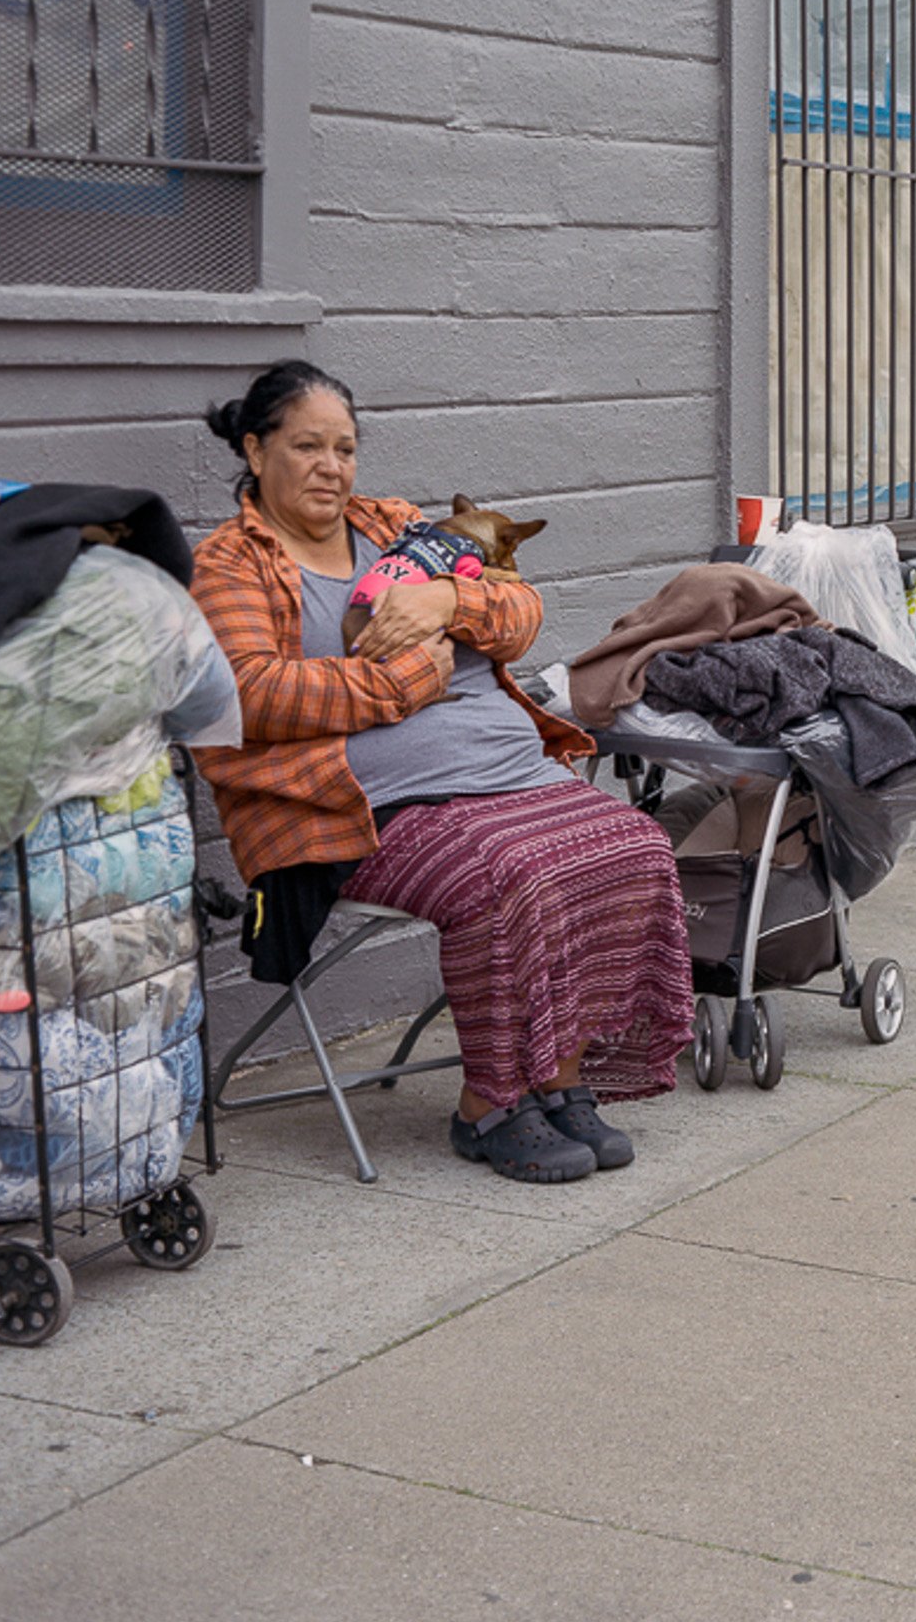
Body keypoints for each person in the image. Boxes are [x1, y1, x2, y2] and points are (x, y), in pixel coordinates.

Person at [191, 361, 692, 1183]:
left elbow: (521, 613)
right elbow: (245, 696)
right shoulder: (232, 564)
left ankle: (559, 1079)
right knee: (506, 874)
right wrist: (402, 683)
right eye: (308, 446)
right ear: (254, 448)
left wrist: (448, 606)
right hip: (361, 806)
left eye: (345, 448)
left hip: (507, 769)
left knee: (632, 846)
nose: (331, 466)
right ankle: (490, 1104)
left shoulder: (393, 526)